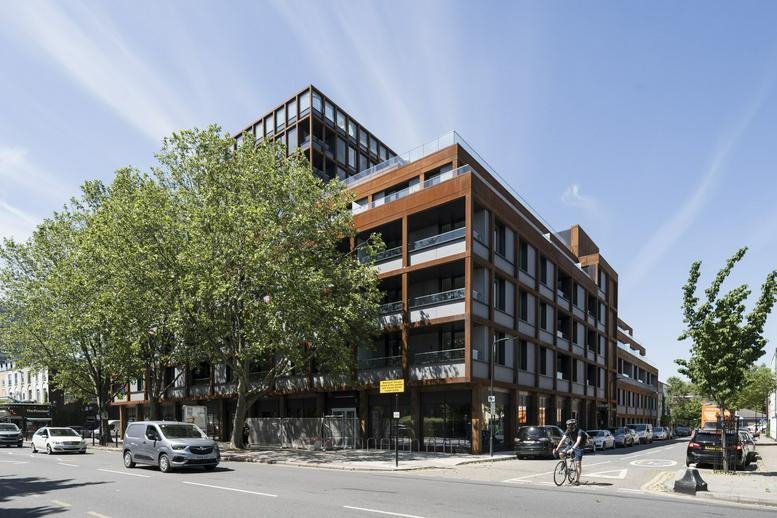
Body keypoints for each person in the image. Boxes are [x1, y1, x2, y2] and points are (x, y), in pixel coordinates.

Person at [554, 419, 587, 485]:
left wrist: (572, 449)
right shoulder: (568, 431)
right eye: (567, 425)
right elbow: (562, 440)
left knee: (578, 463)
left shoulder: (579, 431)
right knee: (561, 453)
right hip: (571, 444)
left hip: (579, 447)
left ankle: (577, 480)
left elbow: (578, 442)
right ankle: (563, 463)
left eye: (570, 425)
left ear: (574, 425)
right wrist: (557, 449)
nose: (568, 426)